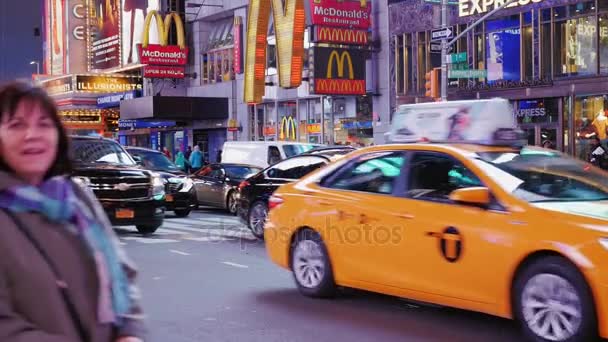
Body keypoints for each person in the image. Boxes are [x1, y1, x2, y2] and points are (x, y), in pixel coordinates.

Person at [0, 82, 145, 341]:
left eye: (44, 123)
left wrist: (129, 333)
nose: (32, 134)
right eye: (16, 124)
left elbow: (122, 275)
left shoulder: (77, 198)